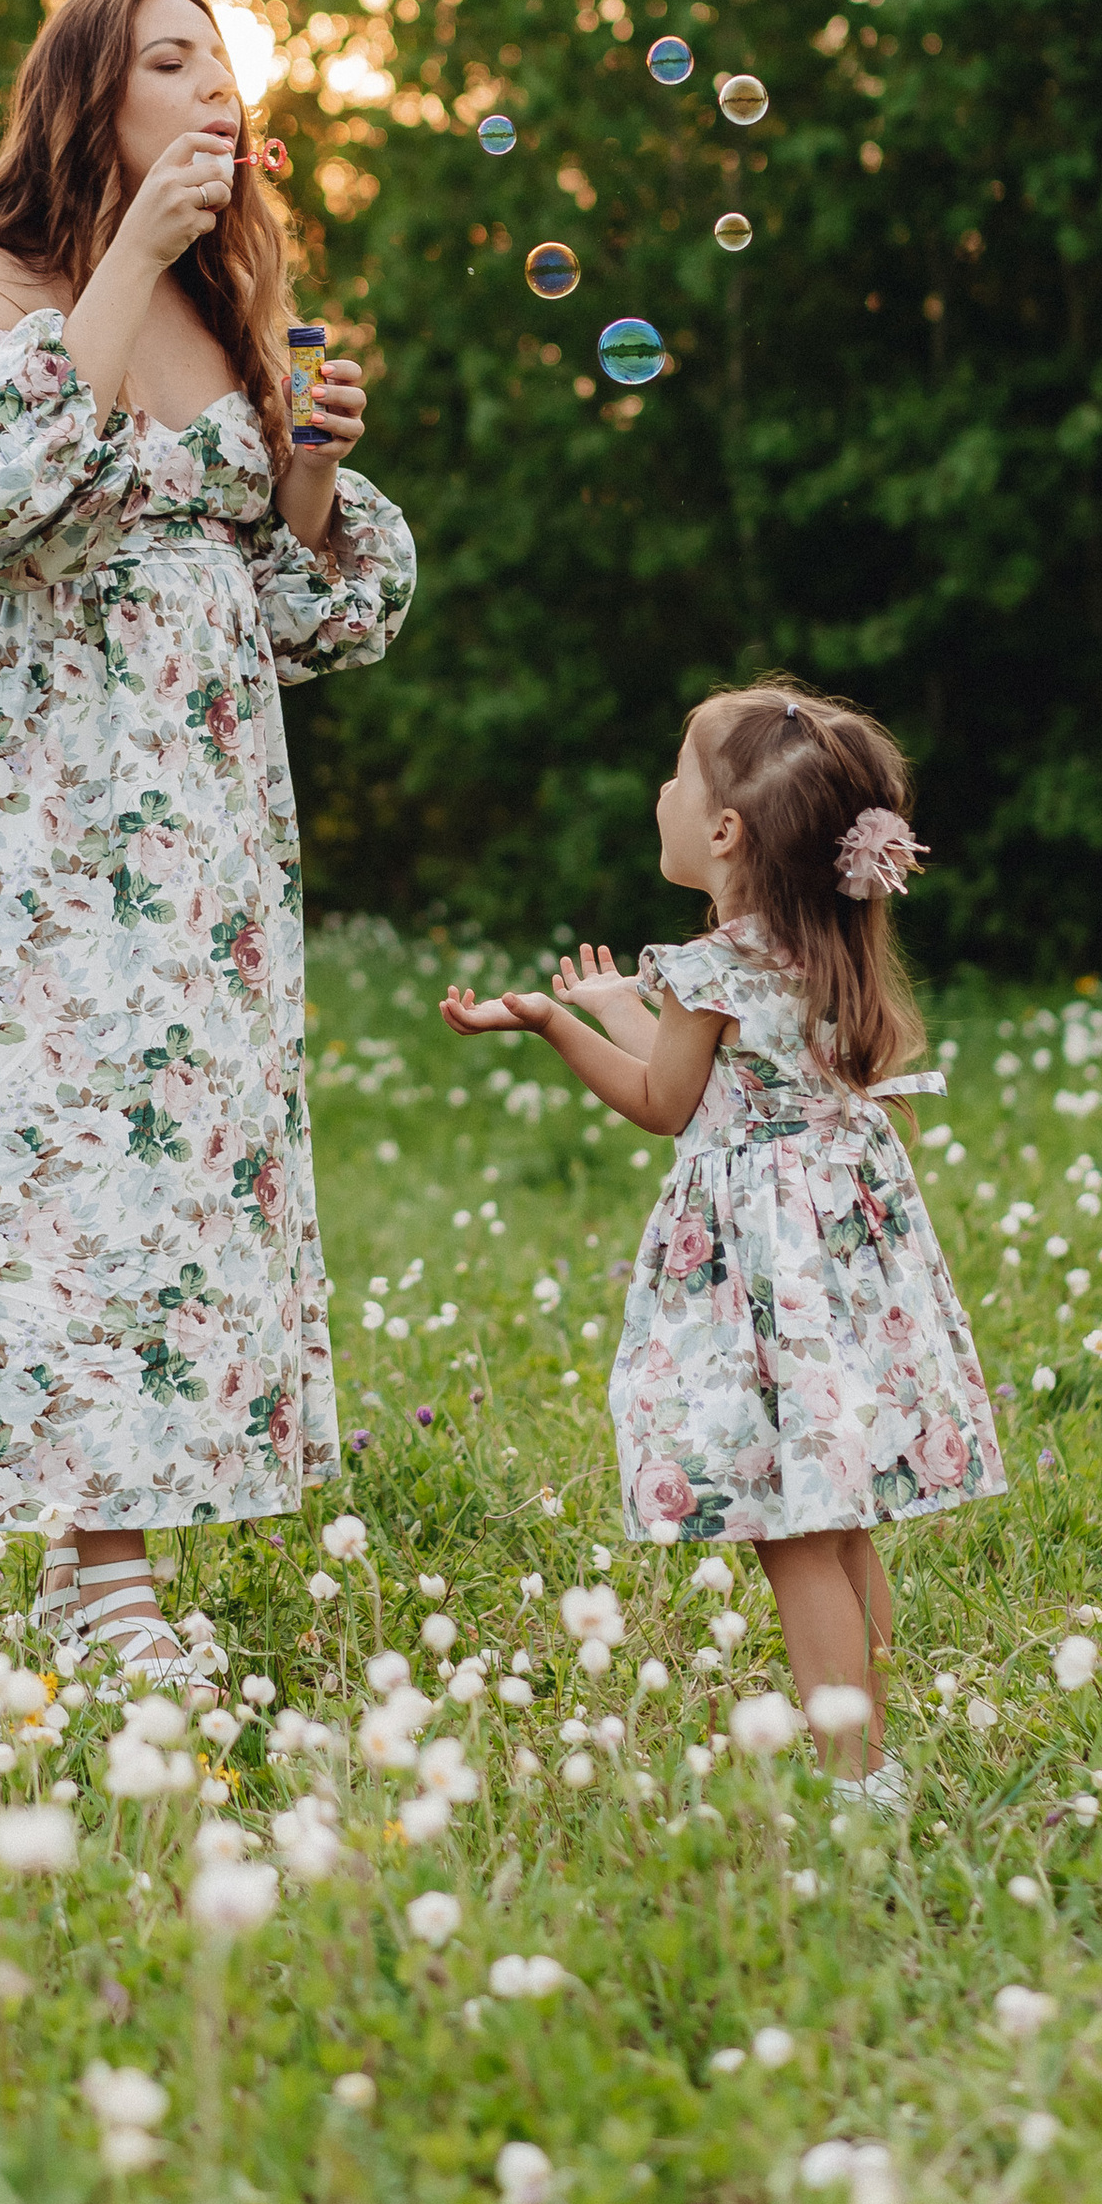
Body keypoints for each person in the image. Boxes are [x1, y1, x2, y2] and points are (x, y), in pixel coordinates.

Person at [0, 0, 415, 1683]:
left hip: (199, 808)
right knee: (52, 1157)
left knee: (167, 1161)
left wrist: (303, 472)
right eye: (172, 63)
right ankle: (107, 1583)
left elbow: (304, 608)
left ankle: (102, 1561)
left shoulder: (232, 322)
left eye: (226, 68)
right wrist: (139, 260)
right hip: (31, 810)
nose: (215, 94)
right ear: (88, 101)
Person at [440, 680, 1002, 1799]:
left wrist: (557, 1023)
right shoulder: (823, 948)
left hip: (764, 1282)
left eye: (676, 778)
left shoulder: (711, 970)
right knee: (839, 1522)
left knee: (796, 1532)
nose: (660, 792)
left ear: (724, 832)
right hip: (838, 1274)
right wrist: (615, 1005)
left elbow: (666, 1103)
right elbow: (724, 1079)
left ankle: (857, 1778)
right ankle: (880, 1744)